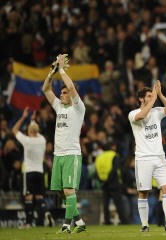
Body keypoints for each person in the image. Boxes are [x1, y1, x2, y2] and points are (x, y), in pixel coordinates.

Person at [128, 81, 166, 232]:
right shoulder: (133, 114)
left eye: (152, 96)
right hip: (143, 158)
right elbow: (142, 115)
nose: (152, 98)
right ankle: (145, 225)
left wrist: (159, 94)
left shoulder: (157, 111)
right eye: (148, 96)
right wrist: (154, 98)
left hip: (159, 157)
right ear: (141, 99)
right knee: (143, 192)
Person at [42, 54, 86, 234]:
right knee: (61, 192)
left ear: (73, 93)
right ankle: (80, 222)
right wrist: (52, 72)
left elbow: (70, 86)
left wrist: (61, 69)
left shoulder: (79, 107)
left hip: (71, 154)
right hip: (58, 155)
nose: (62, 94)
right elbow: (45, 89)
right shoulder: (59, 107)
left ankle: (67, 225)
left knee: (68, 190)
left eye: (65, 92)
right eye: (61, 93)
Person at [12, 108, 53, 228]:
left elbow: (14, 130)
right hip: (40, 172)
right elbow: (36, 131)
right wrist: (34, 121)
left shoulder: (26, 140)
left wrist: (24, 117)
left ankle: (28, 223)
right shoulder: (42, 140)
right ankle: (46, 212)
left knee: (29, 197)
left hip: (29, 172)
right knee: (40, 197)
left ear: (28, 131)